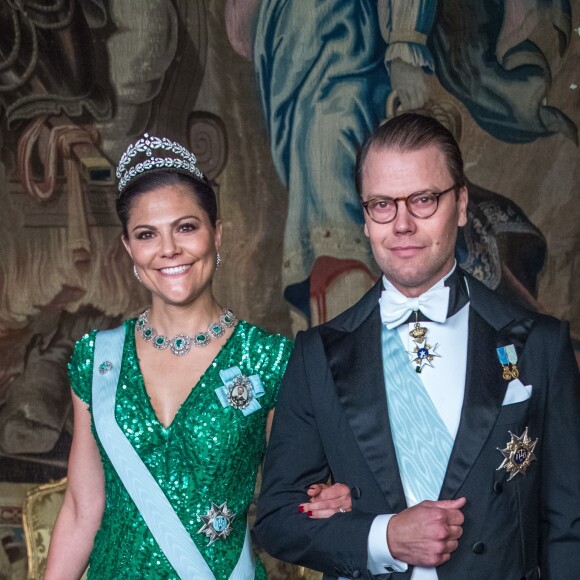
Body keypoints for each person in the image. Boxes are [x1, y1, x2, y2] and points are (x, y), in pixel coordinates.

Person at [255, 113, 580, 579]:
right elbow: (278, 520)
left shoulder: (539, 344)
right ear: (365, 218)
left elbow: (569, 524)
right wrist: (383, 536)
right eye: (382, 204)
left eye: (424, 200)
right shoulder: (317, 355)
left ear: (462, 204)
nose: (402, 224)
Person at [45, 134, 351, 579]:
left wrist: (331, 496)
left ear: (216, 232)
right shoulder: (98, 359)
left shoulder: (269, 360)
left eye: (186, 227)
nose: (169, 249)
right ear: (130, 249)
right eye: (147, 234)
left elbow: (300, 494)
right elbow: (80, 508)